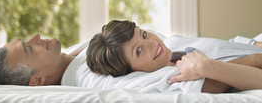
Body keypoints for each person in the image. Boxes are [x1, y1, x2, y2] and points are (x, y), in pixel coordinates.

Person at [86, 20, 262, 92]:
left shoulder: (174, 43)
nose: (152, 44)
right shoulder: (170, 79)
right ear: (130, 70)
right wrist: (254, 59)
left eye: (144, 35)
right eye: (138, 51)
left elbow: (228, 44)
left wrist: (254, 46)